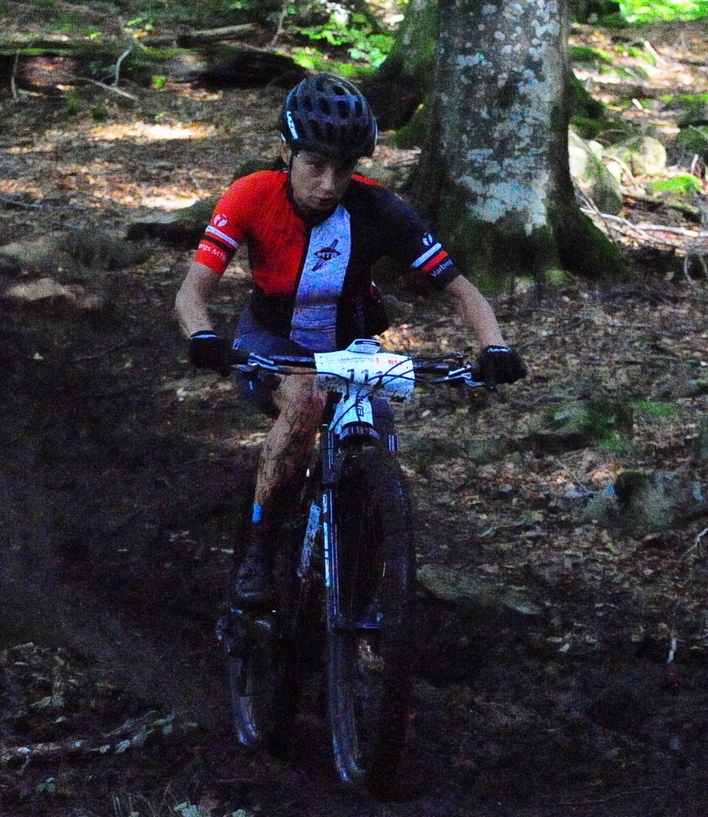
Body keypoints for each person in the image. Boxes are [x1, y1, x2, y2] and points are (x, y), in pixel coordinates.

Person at [173, 73, 527, 609]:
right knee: (306, 401)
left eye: (344, 168)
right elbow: (191, 292)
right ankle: (258, 555)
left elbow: (463, 290)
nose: (329, 183)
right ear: (287, 152)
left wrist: (493, 347)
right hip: (271, 341)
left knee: (378, 440)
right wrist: (203, 336)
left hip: (350, 350)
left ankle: (372, 578)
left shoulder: (378, 208)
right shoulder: (251, 195)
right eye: (315, 165)